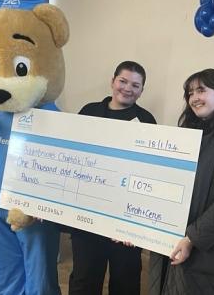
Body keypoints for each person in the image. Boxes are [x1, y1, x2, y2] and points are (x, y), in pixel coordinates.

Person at [149, 68, 214, 295]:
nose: (194, 97)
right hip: (169, 246)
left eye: (201, 90)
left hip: (208, 256)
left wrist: (192, 238)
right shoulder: (184, 137)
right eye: (190, 92)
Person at [69, 61, 157, 295]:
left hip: (125, 223)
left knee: (126, 282)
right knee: (84, 280)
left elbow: (150, 173)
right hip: (87, 217)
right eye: (123, 81)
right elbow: (70, 157)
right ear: (113, 81)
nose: (128, 88)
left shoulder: (147, 121)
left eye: (136, 85)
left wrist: (135, 224)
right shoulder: (89, 112)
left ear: (141, 90)